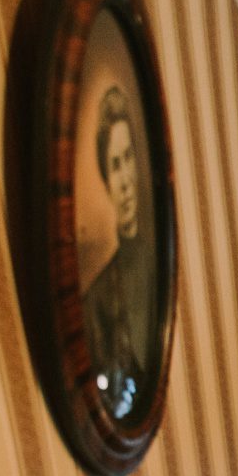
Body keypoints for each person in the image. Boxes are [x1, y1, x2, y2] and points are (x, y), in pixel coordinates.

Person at [83, 85, 155, 421]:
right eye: (114, 165)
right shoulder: (96, 300)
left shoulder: (159, 269)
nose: (125, 179)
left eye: (129, 159)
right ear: (106, 180)